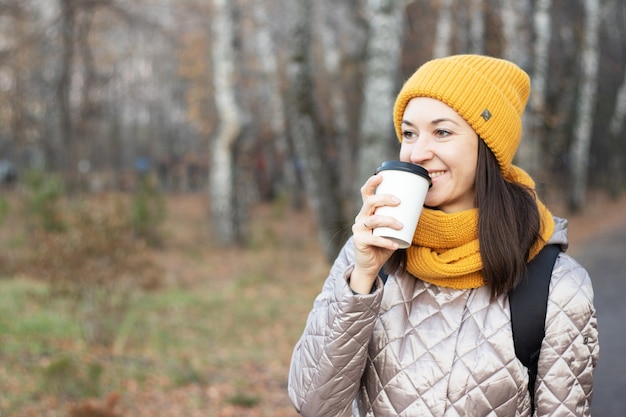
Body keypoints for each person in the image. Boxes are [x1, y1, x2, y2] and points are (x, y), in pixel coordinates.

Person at [288, 54, 599, 416]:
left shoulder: (557, 284)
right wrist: (361, 279)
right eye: (408, 133)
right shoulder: (371, 252)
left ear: (488, 146)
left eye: (443, 132)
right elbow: (313, 403)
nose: (417, 152)